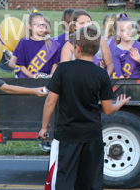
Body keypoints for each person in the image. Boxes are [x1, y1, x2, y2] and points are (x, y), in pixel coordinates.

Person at [38, 25, 131, 190]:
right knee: (90, 181)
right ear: (96, 50)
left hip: (67, 134)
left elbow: (51, 101)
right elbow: (108, 110)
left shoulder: (63, 70)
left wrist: (44, 127)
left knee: (64, 178)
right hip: (92, 135)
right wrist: (120, 104)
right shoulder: (101, 74)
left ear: (77, 48)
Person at [61, 9, 114, 76]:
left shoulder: (100, 40)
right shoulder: (70, 45)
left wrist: (105, 77)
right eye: (82, 23)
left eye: (89, 22)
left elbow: (110, 64)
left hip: (99, 81)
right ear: (74, 26)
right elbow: (64, 69)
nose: (87, 25)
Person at [15, 12, 60, 78]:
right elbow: (22, 66)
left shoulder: (51, 43)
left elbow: (55, 64)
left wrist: (52, 74)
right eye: (38, 25)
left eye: (43, 25)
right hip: (28, 79)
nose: (41, 27)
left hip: (46, 79)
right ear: (30, 26)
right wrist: (31, 76)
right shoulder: (24, 42)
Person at [112, 14, 140, 79]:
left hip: (138, 84)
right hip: (124, 85)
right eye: (123, 30)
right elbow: (119, 74)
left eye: (129, 29)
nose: (127, 33)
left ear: (133, 30)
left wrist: (139, 60)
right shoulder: (115, 51)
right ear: (118, 32)